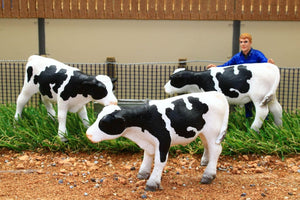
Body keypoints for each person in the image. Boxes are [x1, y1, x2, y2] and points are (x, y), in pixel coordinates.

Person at [206, 33, 274, 118]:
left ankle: (265, 124)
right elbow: (227, 65)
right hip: (245, 87)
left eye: (245, 42)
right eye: (241, 42)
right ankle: (248, 124)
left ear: (250, 43)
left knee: (261, 107)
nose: (243, 44)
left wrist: (269, 64)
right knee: (248, 108)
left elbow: (265, 64)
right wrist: (216, 68)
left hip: (257, 86)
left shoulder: (257, 54)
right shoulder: (237, 57)